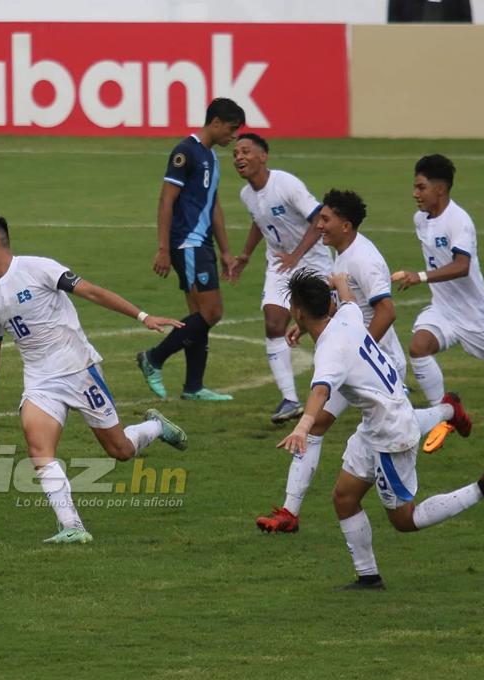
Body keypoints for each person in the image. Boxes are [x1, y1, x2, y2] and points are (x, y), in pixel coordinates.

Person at [278, 269, 484, 590]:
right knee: (344, 498)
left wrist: (302, 426)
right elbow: (344, 287)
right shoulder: (348, 315)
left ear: (298, 311)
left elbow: (320, 392)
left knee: (404, 520)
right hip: (378, 423)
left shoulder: (329, 351)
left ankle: (483, 487)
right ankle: (368, 577)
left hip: (390, 434)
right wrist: (333, 283)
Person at [0, 214, 189, 544]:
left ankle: (155, 427)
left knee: (120, 450)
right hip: (40, 381)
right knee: (39, 448)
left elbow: (92, 292)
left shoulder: (38, 268)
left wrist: (143, 316)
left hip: (79, 369)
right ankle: (73, 527)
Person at [256, 189, 431, 534]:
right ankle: (290, 511)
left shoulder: (363, 260)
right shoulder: (341, 256)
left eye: (325, 219)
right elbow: (343, 307)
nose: (318, 224)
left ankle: (447, 411)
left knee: (340, 423)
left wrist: (358, 348)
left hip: (375, 360)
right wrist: (305, 325)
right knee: (326, 424)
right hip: (355, 355)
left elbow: (387, 311)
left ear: (346, 225)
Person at [395, 154, 484, 451]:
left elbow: (461, 266)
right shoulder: (421, 220)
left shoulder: (459, 221)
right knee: (419, 348)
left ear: (440, 189)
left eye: (421, 187)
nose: (415, 194)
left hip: (477, 317)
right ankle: (442, 417)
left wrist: (419, 276)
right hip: (444, 311)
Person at [136, 98, 244, 402]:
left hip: (202, 244)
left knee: (198, 315)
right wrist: (163, 248)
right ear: (216, 123)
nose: (233, 136)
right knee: (213, 312)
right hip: (188, 243)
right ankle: (154, 358)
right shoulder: (186, 151)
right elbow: (166, 200)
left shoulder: (211, 157)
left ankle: (193, 386)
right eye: (232, 129)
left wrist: (225, 251)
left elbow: (215, 206)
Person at [229, 133, 332, 422]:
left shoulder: (286, 184)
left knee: (323, 327)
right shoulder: (246, 194)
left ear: (263, 156)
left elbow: (319, 219)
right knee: (274, 323)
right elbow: (259, 221)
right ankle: (290, 399)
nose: (239, 157)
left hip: (311, 261)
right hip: (279, 263)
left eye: (246, 151)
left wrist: (297, 255)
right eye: (235, 153)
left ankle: (359, 379)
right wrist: (246, 256)